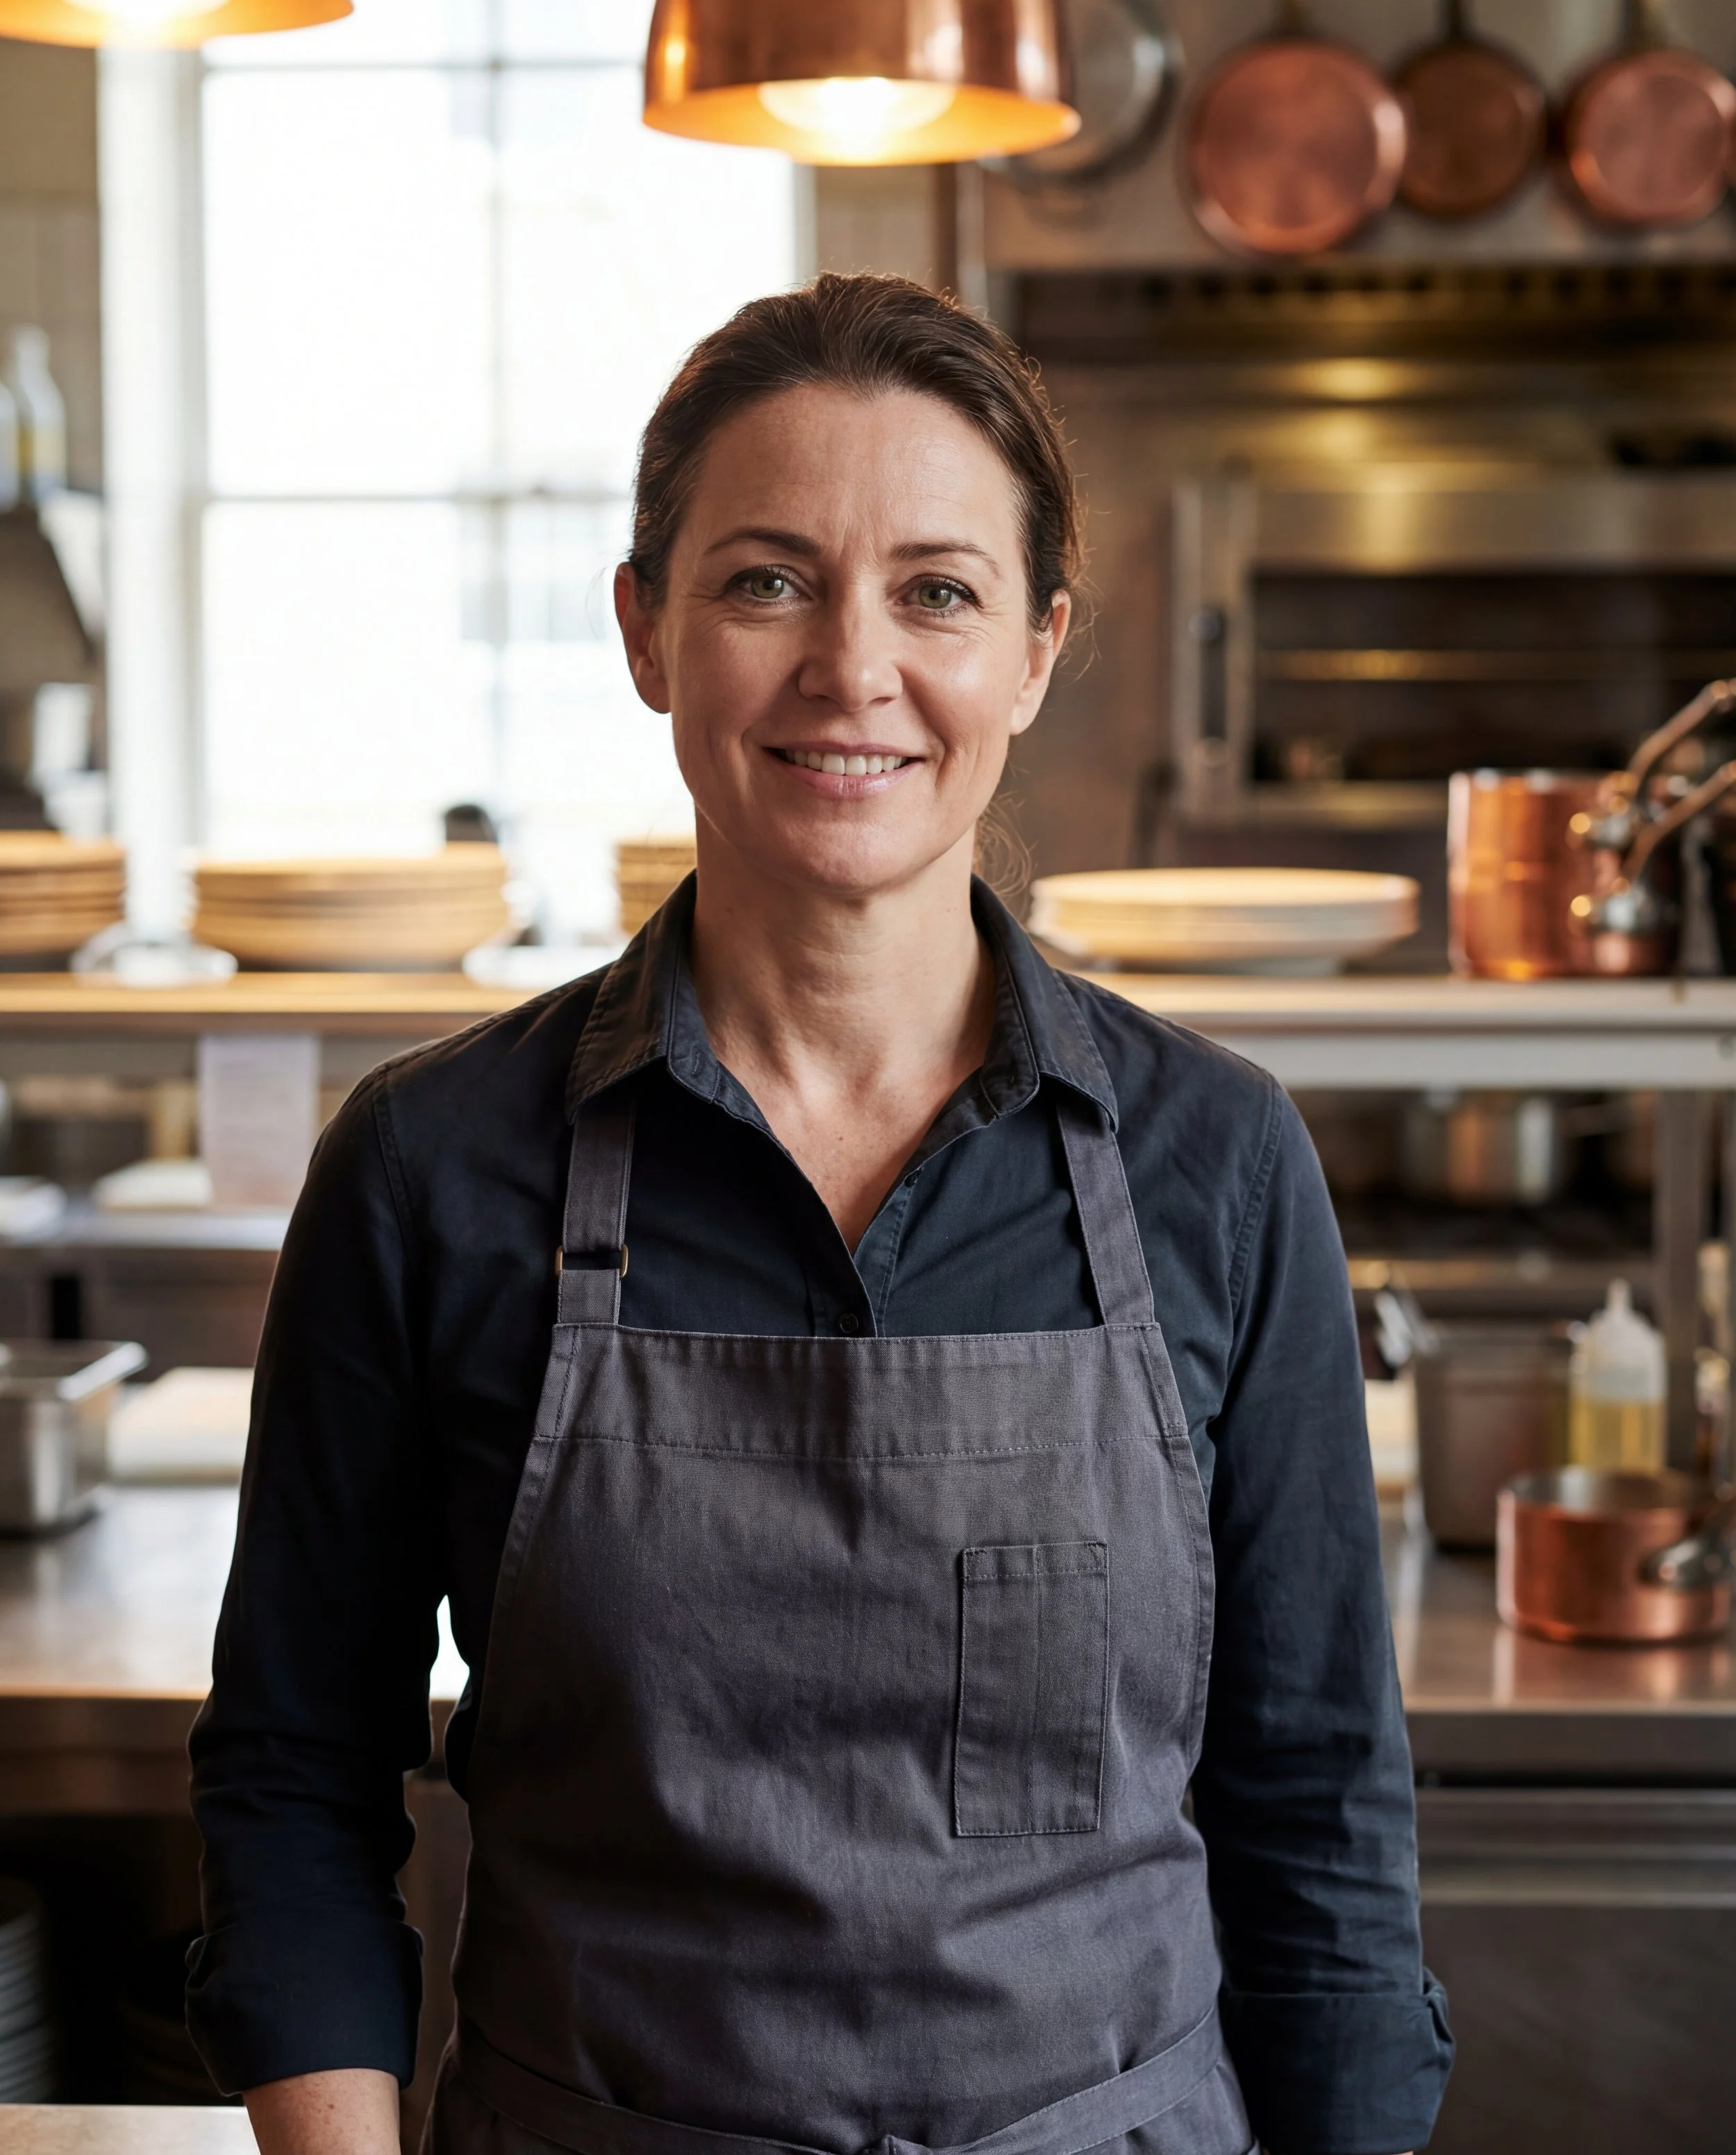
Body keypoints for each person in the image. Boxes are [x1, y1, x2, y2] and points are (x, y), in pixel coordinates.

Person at [187, 273, 1452, 2155]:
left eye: (935, 589)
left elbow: (1313, 1808)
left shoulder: (1216, 1162)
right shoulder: (430, 1166)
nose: (851, 666)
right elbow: (295, 1780)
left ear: (1033, 649)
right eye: (766, 579)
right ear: (646, 630)